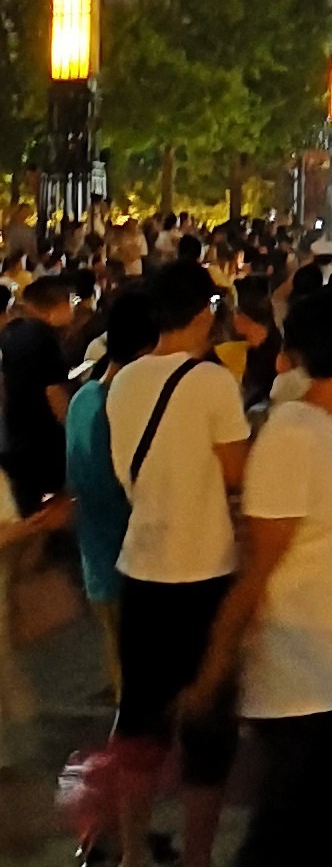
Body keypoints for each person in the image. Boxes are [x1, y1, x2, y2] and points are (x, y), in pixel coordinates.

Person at [181, 285, 332, 865]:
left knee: (318, 845)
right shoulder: (293, 437)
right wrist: (213, 672)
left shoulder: (330, 433)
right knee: (301, 845)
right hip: (302, 696)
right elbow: (258, 570)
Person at [106, 258, 250, 867]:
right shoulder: (213, 383)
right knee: (208, 728)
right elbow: (237, 474)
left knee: (138, 721)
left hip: (140, 567)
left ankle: (135, 850)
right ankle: (196, 856)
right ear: (203, 314)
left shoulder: (123, 381)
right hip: (204, 571)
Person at [65, 287, 159, 701]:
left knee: (124, 678)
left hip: (96, 564)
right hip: (133, 564)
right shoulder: (126, 405)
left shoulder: (83, 398)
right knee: (143, 685)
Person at [1, 274, 75, 508]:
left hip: (18, 437)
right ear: (59, 305)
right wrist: (73, 430)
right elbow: (54, 394)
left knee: (28, 506)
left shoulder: (12, 333)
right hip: (44, 442)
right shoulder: (43, 337)